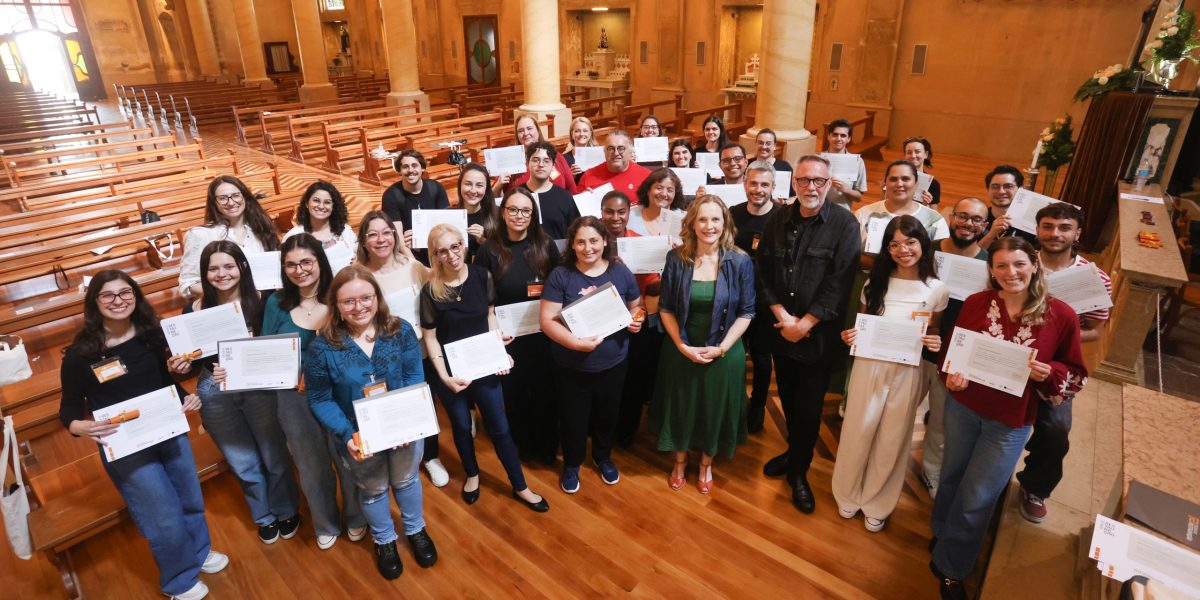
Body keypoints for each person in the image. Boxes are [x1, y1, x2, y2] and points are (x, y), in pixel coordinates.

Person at [930, 237, 1086, 600]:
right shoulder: (976, 303)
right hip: (964, 408)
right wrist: (951, 374)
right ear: (992, 270)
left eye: (1018, 264)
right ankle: (941, 532)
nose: (1010, 273)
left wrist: (1047, 372)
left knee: (979, 495)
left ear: (1034, 265)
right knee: (951, 475)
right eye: (1000, 266)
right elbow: (955, 351)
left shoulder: (1060, 315)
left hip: (1010, 421)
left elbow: (1076, 372)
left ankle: (953, 566)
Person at [59, 271, 227, 600]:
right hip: (126, 442)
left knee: (190, 498)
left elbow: (163, 383)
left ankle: (197, 551)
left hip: (168, 429)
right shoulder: (81, 354)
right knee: (161, 514)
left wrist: (185, 396)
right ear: (94, 302)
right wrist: (79, 427)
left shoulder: (153, 335)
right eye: (108, 295)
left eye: (126, 293)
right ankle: (178, 581)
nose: (118, 301)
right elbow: (67, 408)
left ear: (136, 296)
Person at [304, 266, 439, 580]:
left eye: (366, 298)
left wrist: (408, 423)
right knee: (374, 489)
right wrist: (346, 433)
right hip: (358, 435)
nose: (358, 306)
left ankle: (416, 529)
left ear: (377, 298)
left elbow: (412, 378)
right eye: (348, 301)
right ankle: (385, 539)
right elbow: (320, 398)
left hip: (403, 428)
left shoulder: (400, 330)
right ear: (335, 306)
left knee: (406, 481)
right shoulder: (323, 346)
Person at [420, 224, 550, 512]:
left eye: (456, 246)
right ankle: (473, 474)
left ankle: (520, 486)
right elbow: (430, 338)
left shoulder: (482, 275)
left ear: (463, 245)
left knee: (500, 427)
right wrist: (444, 377)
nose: (452, 254)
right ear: (435, 255)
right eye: (443, 251)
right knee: (462, 426)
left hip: (482, 365)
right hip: (452, 372)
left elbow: (490, 317)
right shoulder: (431, 290)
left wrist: (498, 352)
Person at [756, 155, 861, 513]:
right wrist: (783, 316)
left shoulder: (845, 224)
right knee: (787, 398)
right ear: (794, 184)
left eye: (818, 181)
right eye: (804, 180)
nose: (811, 187)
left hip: (817, 337)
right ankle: (793, 452)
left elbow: (839, 282)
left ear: (829, 184)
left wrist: (805, 324)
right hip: (782, 332)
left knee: (809, 407)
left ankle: (799, 472)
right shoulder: (777, 220)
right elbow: (764, 271)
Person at [180, 241, 302, 544]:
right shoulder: (193, 309)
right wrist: (180, 363)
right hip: (214, 386)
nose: (221, 274)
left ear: (242, 267)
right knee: (241, 459)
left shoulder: (264, 300)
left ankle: (286, 508)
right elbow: (192, 359)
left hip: (257, 384)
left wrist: (250, 347)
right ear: (205, 273)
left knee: (273, 452)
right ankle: (263, 515)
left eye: (228, 266)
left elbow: (277, 347)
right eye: (213, 268)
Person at [833, 215, 948, 532]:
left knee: (893, 437)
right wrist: (851, 335)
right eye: (894, 244)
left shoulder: (937, 289)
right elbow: (863, 325)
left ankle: (877, 501)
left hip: (908, 369)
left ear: (922, 243)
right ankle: (848, 491)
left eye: (910, 242)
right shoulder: (874, 283)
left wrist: (935, 341)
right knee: (858, 429)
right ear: (886, 248)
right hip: (869, 365)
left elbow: (933, 331)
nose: (903, 250)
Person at [262, 233, 367, 549]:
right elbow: (267, 349)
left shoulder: (340, 296)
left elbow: (360, 341)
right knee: (310, 463)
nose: (299, 270)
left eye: (306, 261)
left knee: (349, 455)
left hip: (339, 392)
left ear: (319, 261)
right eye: (291, 264)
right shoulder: (275, 303)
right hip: (294, 396)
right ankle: (325, 521)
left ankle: (356, 516)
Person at [651, 194, 755, 494]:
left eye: (715, 219)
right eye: (703, 219)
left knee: (713, 408)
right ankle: (680, 461)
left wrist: (722, 348)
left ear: (725, 224)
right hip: (681, 346)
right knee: (682, 406)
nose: (709, 226)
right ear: (692, 223)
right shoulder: (677, 259)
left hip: (724, 350)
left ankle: (707, 463)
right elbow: (667, 308)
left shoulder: (740, 261)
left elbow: (747, 311)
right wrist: (681, 345)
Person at [1015, 202, 1110, 524]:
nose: (1055, 234)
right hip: (1014, 355)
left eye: (1064, 227)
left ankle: (1035, 487)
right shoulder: (1018, 264)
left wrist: (1054, 338)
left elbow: (1095, 331)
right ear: (1037, 229)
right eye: (1048, 226)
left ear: (1077, 233)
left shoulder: (1095, 278)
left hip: (1054, 365)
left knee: (1055, 429)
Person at [540, 216, 644, 493]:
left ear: (605, 241)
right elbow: (547, 320)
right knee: (573, 419)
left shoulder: (620, 272)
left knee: (607, 416)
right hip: (572, 365)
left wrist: (637, 319)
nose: (588, 247)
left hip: (614, 363)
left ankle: (603, 457)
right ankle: (572, 463)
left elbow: (637, 304)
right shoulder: (561, 275)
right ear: (572, 245)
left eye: (594, 240)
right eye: (581, 241)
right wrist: (575, 344)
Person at [354, 210, 449, 488]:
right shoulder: (361, 275)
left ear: (394, 236)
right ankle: (398, 460)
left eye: (386, 232)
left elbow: (441, 286)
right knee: (396, 408)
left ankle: (431, 458)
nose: (380, 239)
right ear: (363, 241)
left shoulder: (412, 266)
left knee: (427, 404)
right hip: (387, 357)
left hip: (423, 350)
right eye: (372, 234)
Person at [476, 189, 562, 464]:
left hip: (543, 333)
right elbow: (484, 299)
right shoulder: (489, 249)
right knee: (515, 395)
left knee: (546, 392)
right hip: (508, 338)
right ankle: (524, 445)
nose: (519, 216)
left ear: (533, 215)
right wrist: (494, 335)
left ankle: (547, 446)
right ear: (503, 213)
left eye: (525, 211)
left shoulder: (545, 244)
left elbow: (558, 285)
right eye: (513, 209)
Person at [920, 197, 991, 499]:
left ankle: (931, 470)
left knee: (939, 418)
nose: (968, 223)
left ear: (985, 226)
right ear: (951, 217)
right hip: (914, 339)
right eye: (963, 216)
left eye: (976, 220)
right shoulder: (928, 249)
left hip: (952, 351)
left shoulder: (989, 262)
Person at [601, 190, 665, 447]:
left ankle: (626, 431)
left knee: (633, 380)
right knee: (603, 380)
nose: (615, 218)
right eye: (609, 211)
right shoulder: (592, 240)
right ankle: (600, 428)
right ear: (601, 212)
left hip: (631, 319)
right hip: (599, 321)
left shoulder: (640, 241)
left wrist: (664, 264)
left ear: (630, 213)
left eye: (621, 212)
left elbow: (651, 288)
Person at [730, 160, 778, 433]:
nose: (758, 190)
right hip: (734, 297)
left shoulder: (782, 217)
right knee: (734, 352)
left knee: (760, 355)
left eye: (764, 185)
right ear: (745, 184)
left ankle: (757, 405)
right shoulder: (733, 214)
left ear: (773, 187)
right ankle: (734, 403)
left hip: (765, 298)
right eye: (753, 184)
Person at [179, 175, 280, 298]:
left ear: (245, 197)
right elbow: (189, 284)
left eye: (236, 195)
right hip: (228, 302)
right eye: (222, 198)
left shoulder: (260, 228)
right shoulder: (201, 234)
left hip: (266, 298)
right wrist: (234, 296)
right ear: (214, 203)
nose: (231, 202)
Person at [380, 149, 450, 254]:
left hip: (437, 246)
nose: (410, 170)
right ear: (399, 170)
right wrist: (416, 265)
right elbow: (398, 239)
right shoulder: (391, 195)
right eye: (405, 167)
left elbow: (446, 224)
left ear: (422, 168)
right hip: (408, 250)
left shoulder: (436, 188)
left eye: (414, 165)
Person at [496, 114, 578, 195]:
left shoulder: (557, 158)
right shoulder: (510, 160)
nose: (525, 133)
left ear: (538, 131)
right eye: (520, 131)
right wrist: (499, 184)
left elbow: (572, 190)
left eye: (529, 128)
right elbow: (493, 197)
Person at [520, 141, 583, 240]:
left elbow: (576, 233)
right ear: (527, 163)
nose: (541, 164)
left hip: (558, 254)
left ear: (553, 165)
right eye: (536, 160)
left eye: (546, 161)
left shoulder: (565, 198)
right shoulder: (517, 195)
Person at [283, 180, 358, 252]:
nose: (321, 206)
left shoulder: (345, 231)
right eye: (316, 201)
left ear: (333, 206)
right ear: (306, 203)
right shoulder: (293, 235)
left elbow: (359, 257)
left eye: (327, 202)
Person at [578, 130, 653, 196]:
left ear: (630, 151)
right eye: (611, 148)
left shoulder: (647, 177)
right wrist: (583, 200)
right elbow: (574, 208)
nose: (616, 153)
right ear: (604, 151)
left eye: (621, 148)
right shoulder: (588, 177)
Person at [978, 164, 1037, 247]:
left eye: (1008, 186)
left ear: (1021, 189)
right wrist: (991, 234)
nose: (1001, 191)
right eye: (995, 186)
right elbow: (968, 256)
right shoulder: (977, 219)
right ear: (988, 190)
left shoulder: (1032, 222)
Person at [820, 119, 868, 210]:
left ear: (848, 139)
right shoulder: (818, 160)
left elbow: (859, 197)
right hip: (817, 211)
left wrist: (844, 189)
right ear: (828, 136)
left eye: (843, 136)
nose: (838, 139)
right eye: (835, 134)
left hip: (842, 213)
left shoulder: (857, 162)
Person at [628, 168, 685, 240]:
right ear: (648, 190)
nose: (664, 194)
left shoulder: (684, 219)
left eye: (670, 190)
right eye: (659, 188)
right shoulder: (630, 216)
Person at [458, 162, 498, 259]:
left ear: (486, 189)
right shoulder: (447, 215)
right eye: (468, 184)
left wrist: (484, 241)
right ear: (460, 185)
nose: (473, 190)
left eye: (479, 185)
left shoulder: (498, 215)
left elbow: (504, 256)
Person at [755, 128, 793, 200]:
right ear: (755, 144)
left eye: (768, 143)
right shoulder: (748, 166)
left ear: (774, 146)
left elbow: (794, 196)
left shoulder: (785, 167)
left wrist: (784, 202)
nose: (764, 146)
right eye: (760, 143)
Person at [903, 136, 941, 206]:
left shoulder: (934, 185)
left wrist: (926, 205)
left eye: (917, 152)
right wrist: (883, 191)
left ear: (926, 154)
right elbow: (884, 208)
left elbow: (934, 215)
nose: (913, 156)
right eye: (909, 152)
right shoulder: (897, 178)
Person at [564, 115, 598, 182]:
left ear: (590, 134)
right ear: (572, 135)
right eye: (577, 131)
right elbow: (561, 185)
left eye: (585, 131)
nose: (582, 134)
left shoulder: (598, 155)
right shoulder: (564, 159)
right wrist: (571, 176)